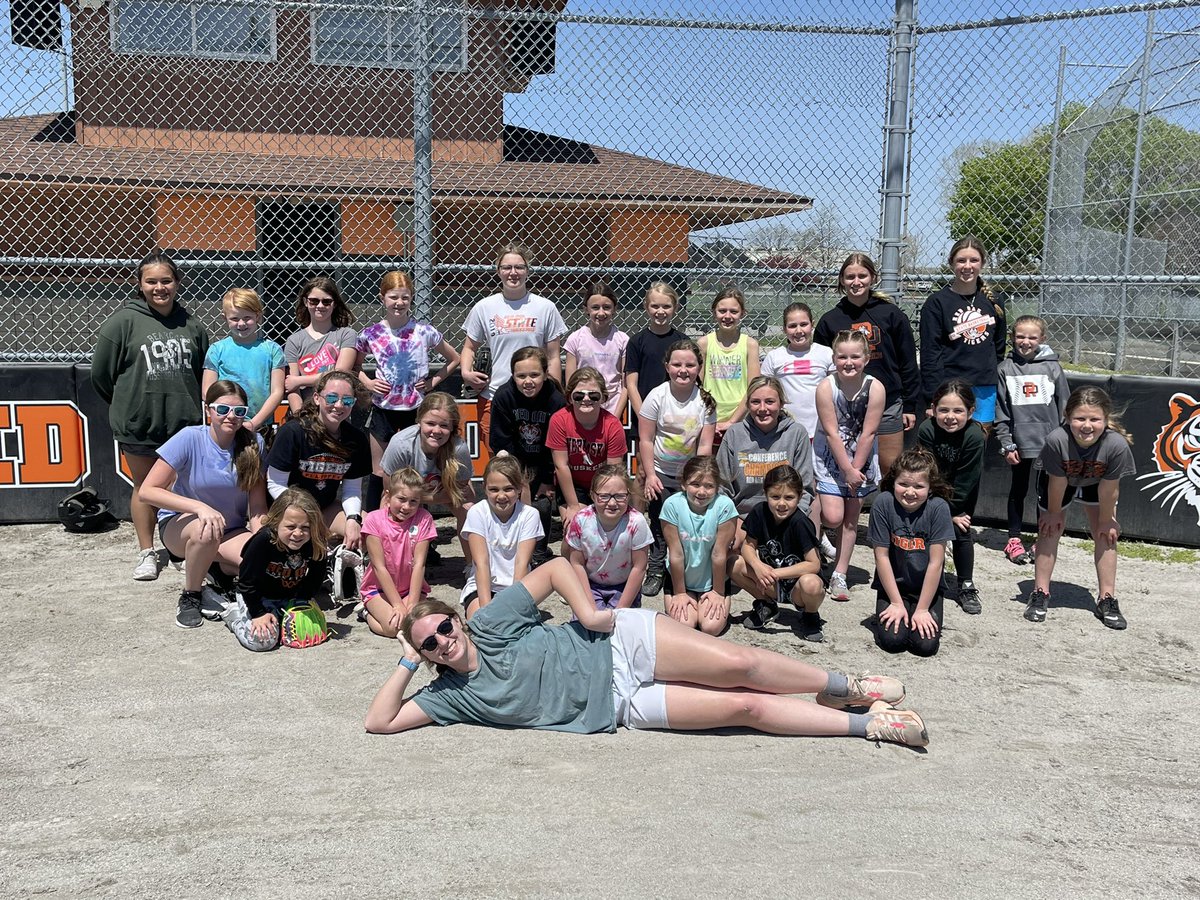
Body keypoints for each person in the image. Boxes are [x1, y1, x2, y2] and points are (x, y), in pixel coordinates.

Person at [364, 558, 928, 749]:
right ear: (428, 656)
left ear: (456, 617)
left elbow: (558, 568)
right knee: (744, 708)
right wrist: (405, 657)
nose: (442, 638)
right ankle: (870, 727)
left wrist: (587, 613)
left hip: (619, 643)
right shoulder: (448, 696)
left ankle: (841, 684)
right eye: (430, 643)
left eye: (442, 625)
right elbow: (379, 722)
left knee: (739, 666)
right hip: (618, 705)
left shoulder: (487, 625)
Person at [92, 251, 210, 582]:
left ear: (177, 283)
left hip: (183, 424)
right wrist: (129, 405)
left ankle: (179, 548)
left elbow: (202, 373)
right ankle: (147, 551)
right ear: (140, 285)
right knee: (145, 487)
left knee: (183, 488)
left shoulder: (193, 326)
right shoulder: (122, 323)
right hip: (140, 424)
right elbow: (101, 376)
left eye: (166, 280)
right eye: (152, 281)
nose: (160, 287)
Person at [138, 380, 267, 628]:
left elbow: (258, 506)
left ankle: (215, 570)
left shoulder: (254, 443)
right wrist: (199, 507)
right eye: (222, 410)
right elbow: (147, 491)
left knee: (264, 564)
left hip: (231, 530)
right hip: (182, 527)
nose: (231, 416)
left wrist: (263, 543)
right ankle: (191, 595)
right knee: (206, 530)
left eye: (239, 411)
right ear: (208, 410)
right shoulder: (189, 438)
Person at [1024, 386, 1136, 629]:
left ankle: (1107, 598)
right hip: (1060, 479)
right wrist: (1053, 513)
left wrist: (1107, 520)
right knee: (1050, 529)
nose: (1087, 425)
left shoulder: (1115, 445)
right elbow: (1057, 482)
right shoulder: (1057, 440)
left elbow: (1109, 489)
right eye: (1080, 418)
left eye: (1094, 419)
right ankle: (1040, 592)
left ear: (1105, 419)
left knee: (1105, 534)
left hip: (1097, 482)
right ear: (1067, 416)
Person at [357, 270, 461, 512]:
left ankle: (419, 524)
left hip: (415, 408)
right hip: (384, 407)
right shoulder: (371, 334)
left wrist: (433, 381)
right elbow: (355, 366)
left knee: (417, 470)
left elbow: (454, 359)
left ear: (411, 299)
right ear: (382, 298)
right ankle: (376, 522)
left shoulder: (423, 331)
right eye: (393, 297)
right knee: (380, 470)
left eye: (405, 298)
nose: (399, 303)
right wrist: (368, 382)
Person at [814, 254, 918, 479]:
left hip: (888, 402)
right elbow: (821, 366)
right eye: (850, 276)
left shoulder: (891, 315)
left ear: (873, 278)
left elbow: (907, 362)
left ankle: (886, 512)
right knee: (848, 467)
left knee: (891, 469)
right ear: (842, 280)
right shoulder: (830, 321)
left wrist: (910, 405)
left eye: (862, 276)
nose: (856, 281)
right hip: (844, 406)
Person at [460, 243, 567, 448]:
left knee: (539, 455)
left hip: (536, 397)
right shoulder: (484, 307)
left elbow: (553, 355)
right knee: (499, 458)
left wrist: (552, 389)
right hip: (494, 395)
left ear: (528, 270)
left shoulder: (545, 307)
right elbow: (469, 347)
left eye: (519, 267)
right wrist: (466, 372)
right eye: (507, 267)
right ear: (498, 271)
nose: (513, 272)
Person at [638, 339, 717, 597]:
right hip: (660, 472)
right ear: (667, 366)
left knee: (690, 521)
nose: (683, 370)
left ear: (699, 368)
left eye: (690, 365)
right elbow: (647, 440)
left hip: (689, 476)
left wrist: (694, 480)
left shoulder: (705, 402)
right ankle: (657, 566)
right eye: (677, 364)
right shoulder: (656, 397)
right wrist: (650, 475)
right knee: (661, 520)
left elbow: (705, 444)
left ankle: (690, 569)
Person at [813, 330, 884, 602]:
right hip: (831, 458)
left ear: (866, 358)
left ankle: (840, 573)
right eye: (842, 357)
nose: (849, 362)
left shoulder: (875, 388)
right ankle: (815, 545)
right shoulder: (826, 388)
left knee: (851, 518)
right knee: (832, 516)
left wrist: (856, 470)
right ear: (834, 358)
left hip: (861, 457)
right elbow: (831, 433)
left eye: (855, 356)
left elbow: (868, 432)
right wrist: (846, 469)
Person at [266, 369, 371, 552]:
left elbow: (352, 489)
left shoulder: (356, 439)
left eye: (347, 400)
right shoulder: (293, 432)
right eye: (331, 398)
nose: (338, 405)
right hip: (287, 509)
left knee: (371, 530)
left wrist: (353, 519)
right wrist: (304, 514)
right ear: (317, 398)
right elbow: (275, 484)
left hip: (325, 508)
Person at [994, 315, 1070, 565]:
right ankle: (1014, 539)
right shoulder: (1005, 368)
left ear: (1042, 339)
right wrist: (1007, 443)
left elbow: (1065, 407)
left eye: (1032, 337)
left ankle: (1042, 539)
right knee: (1018, 490)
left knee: (1044, 494)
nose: (1025, 342)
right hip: (1019, 444)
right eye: (1020, 336)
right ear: (1012, 338)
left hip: (1048, 445)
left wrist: (1062, 442)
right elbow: (1002, 410)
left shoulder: (1052, 367)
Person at [869, 448, 955, 657]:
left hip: (926, 588)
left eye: (919, 486)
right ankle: (898, 607)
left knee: (924, 647)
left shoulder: (938, 508)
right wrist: (896, 603)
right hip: (893, 586)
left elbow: (936, 563)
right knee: (893, 642)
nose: (910, 492)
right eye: (903, 484)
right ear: (893, 482)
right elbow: (881, 556)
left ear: (930, 488)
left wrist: (923, 609)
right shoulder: (883, 503)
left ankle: (916, 610)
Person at [716, 375, 815, 553]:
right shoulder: (735, 434)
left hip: (784, 514)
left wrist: (791, 520)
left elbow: (806, 487)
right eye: (755, 402)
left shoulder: (796, 433)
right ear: (747, 405)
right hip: (743, 516)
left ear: (781, 403)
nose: (763, 409)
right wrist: (728, 520)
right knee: (728, 547)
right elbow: (723, 487)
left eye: (769, 401)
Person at [224, 488, 330, 651]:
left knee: (304, 633)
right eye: (290, 526)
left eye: (306, 527)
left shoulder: (316, 541)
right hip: (257, 597)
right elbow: (246, 582)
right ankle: (235, 615)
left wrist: (302, 599)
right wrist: (258, 613)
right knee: (263, 641)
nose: (298, 533)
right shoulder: (263, 541)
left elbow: (315, 577)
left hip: (290, 597)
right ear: (275, 522)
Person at [488, 347, 566, 566]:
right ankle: (508, 548)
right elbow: (500, 442)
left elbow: (556, 446)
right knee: (507, 500)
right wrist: (518, 479)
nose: (527, 381)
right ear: (513, 375)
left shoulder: (555, 400)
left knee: (541, 504)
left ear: (545, 373)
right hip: (514, 461)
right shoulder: (504, 396)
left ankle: (538, 552)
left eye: (534, 375)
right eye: (521, 376)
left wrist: (546, 480)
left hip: (543, 461)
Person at [730, 466, 825, 641]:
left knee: (811, 583)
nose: (782, 503)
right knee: (733, 563)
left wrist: (774, 573)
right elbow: (747, 546)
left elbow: (813, 564)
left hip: (797, 587)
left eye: (789, 497)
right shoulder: (759, 512)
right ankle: (766, 604)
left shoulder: (801, 523)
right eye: (775, 497)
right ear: (765, 494)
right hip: (769, 582)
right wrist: (758, 567)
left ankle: (810, 615)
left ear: (800, 496)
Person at [919, 236, 1006, 426]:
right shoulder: (937, 303)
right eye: (961, 260)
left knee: (977, 444)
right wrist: (932, 396)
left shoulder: (994, 301)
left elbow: (999, 347)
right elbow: (930, 353)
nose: (967, 266)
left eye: (974, 260)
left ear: (982, 263)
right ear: (951, 263)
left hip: (984, 386)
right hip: (950, 387)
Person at [918, 380, 986, 615]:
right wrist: (939, 509)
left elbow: (967, 480)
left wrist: (953, 513)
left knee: (961, 531)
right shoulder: (927, 429)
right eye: (943, 410)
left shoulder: (975, 436)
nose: (950, 416)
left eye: (958, 410)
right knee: (923, 530)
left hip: (961, 494)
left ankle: (965, 584)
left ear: (971, 412)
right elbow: (925, 471)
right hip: (930, 490)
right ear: (933, 409)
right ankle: (922, 577)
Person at [380, 392, 474, 556]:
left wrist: (424, 497)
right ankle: (391, 558)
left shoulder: (459, 448)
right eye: (430, 423)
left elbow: (461, 491)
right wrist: (423, 499)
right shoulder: (401, 444)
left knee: (470, 510)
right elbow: (390, 491)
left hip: (446, 489)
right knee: (389, 506)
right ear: (419, 422)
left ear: (452, 428)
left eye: (444, 426)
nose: (436, 431)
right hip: (408, 492)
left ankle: (472, 566)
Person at [661, 456, 739, 635]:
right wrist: (680, 593)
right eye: (695, 484)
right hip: (681, 579)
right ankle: (678, 594)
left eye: (709, 486)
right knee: (685, 625)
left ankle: (720, 596)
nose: (701, 492)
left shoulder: (725, 506)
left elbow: (719, 554)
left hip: (712, 580)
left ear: (717, 487)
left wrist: (717, 592)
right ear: (684, 484)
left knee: (711, 627)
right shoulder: (672, 505)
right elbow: (676, 553)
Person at [546, 367, 628, 533]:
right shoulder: (559, 420)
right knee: (577, 527)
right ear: (569, 397)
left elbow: (613, 472)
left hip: (602, 485)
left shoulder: (612, 425)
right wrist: (573, 505)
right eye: (579, 395)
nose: (586, 399)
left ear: (603, 398)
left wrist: (604, 500)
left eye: (593, 395)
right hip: (573, 485)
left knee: (606, 527)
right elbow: (561, 466)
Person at [461, 456, 543, 619]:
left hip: (518, 586)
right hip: (483, 586)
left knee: (513, 623)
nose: (501, 496)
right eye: (494, 489)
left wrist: (512, 605)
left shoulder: (529, 514)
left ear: (519, 488)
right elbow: (481, 563)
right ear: (484, 488)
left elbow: (522, 562)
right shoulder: (477, 512)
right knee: (480, 622)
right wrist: (487, 609)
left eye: (508, 489)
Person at [564, 464, 652, 613]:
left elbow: (639, 567)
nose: (612, 503)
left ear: (628, 496)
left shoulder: (636, 522)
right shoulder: (581, 520)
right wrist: (589, 606)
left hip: (624, 586)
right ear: (592, 495)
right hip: (591, 584)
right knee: (588, 625)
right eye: (604, 496)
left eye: (619, 496)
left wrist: (621, 609)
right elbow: (577, 563)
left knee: (621, 628)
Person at [360, 467, 438, 638]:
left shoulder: (424, 518)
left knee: (415, 625)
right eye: (401, 499)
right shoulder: (374, 520)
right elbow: (379, 567)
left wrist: (411, 603)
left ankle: (403, 607)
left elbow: (419, 564)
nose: (406, 507)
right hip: (378, 589)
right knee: (394, 629)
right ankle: (366, 613)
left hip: (410, 588)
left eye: (413, 501)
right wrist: (397, 604)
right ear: (388, 497)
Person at [201, 287, 285, 436]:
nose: (241, 324)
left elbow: (277, 392)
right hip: (226, 424)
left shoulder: (273, 350)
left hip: (261, 426)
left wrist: (254, 423)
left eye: (247, 318)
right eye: (234, 318)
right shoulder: (216, 350)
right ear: (224, 318)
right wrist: (227, 416)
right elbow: (207, 391)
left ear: (258, 317)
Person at [283, 277, 358, 413]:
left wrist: (300, 381)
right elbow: (291, 387)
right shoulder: (294, 340)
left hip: (336, 410)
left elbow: (339, 374)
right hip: (306, 410)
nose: (320, 306)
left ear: (334, 304)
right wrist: (300, 416)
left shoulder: (346, 334)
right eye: (314, 301)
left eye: (327, 301)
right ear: (306, 302)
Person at [625, 280, 689, 437]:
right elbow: (631, 384)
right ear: (646, 307)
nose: (661, 311)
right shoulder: (636, 341)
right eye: (655, 306)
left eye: (666, 306)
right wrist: (643, 416)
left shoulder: (682, 341)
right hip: (643, 411)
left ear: (675, 308)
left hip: (674, 412)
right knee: (643, 460)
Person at [699, 287, 760, 443]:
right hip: (709, 415)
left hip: (741, 417)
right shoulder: (704, 343)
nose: (727, 316)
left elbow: (754, 388)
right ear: (714, 312)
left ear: (742, 314)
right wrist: (711, 419)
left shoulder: (750, 345)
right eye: (722, 311)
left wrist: (732, 421)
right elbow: (697, 387)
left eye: (733, 311)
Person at [564, 278, 628, 418]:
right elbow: (570, 383)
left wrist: (615, 417)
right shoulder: (575, 339)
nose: (601, 313)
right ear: (586, 309)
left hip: (613, 406)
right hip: (584, 404)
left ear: (615, 309)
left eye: (606, 307)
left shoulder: (623, 340)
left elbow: (625, 385)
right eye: (595, 307)